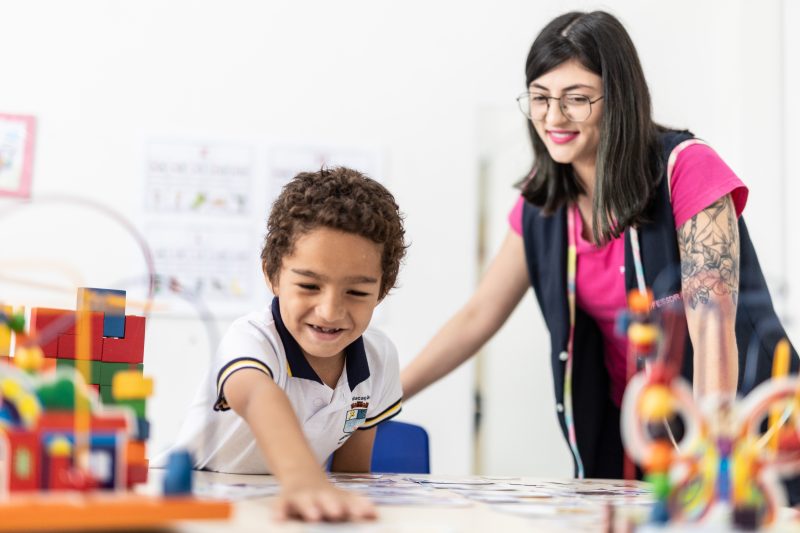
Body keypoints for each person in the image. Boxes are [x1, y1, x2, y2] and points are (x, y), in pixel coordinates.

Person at [401, 10, 798, 499]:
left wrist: (711, 453)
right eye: (541, 99)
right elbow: (478, 314)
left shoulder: (685, 168)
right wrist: (383, 399)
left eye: (576, 100)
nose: (553, 118)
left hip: (746, 436)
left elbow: (711, 321)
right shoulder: (541, 204)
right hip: (630, 442)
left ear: (619, 97)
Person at [160, 167, 406, 521]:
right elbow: (259, 396)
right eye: (309, 286)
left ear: (381, 292)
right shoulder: (251, 338)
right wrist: (305, 480)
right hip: (190, 503)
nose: (330, 311)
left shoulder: (380, 359)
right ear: (272, 275)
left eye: (356, 292)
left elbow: (352, 476)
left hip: (281, 510)